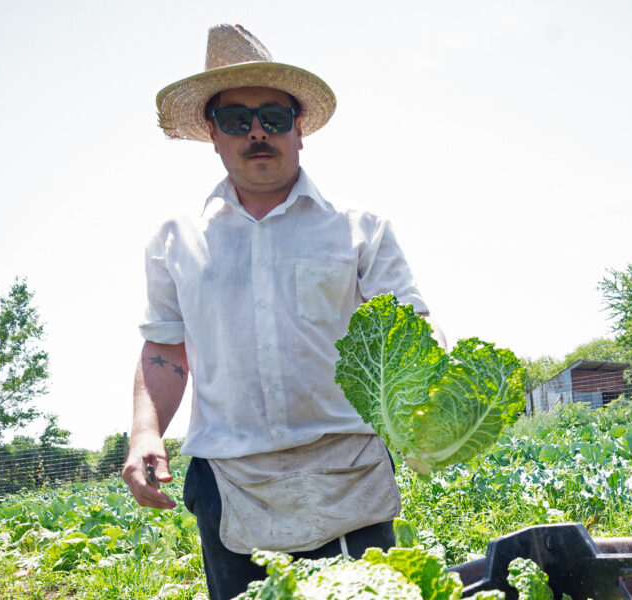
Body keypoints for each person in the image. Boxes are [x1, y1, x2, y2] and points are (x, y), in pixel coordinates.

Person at [122, 24, 440, 600]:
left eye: (272, 115)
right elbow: (165, 348)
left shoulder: (358, 230)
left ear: (300, 128)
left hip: (346, 472)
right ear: (213, 135)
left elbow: (411, 333)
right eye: (237, 121)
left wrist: (435, 406)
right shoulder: (176, 240)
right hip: (232, 481)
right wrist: (146, 432)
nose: (258, 133)